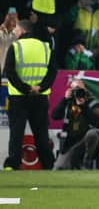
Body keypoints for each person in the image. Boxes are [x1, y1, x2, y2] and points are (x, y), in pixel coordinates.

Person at [3, 20, 56, 170]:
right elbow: (53, 71)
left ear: (21, 31)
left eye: (16, 31)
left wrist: (26, 88)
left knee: (16, 134)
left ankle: (13, 164)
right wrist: (41, 87)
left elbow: (10, 72)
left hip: (19, 97)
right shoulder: (46, 47)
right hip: (40, 97)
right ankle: (49, 165)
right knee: (41, 135)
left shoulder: (15, 46)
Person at [51, 79, 99, 169]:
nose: (78, 92)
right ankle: (76, 163)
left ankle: (87, 160)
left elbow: (97, 123)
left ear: (85, 89)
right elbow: (55, 116)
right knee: (58, 168)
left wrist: (83, 106)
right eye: (75, 89)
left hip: (84, 140)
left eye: (80, 89)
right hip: (69, 144)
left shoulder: (92, 103)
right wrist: (64, 99)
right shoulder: (68, 102)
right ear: (71, 90)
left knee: (93, 133)